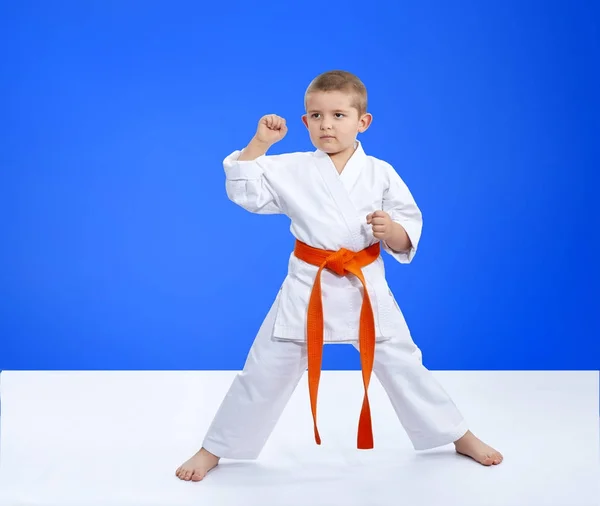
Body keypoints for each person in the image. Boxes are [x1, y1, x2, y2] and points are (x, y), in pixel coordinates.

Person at [176, 70, 503, 482]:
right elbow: (247, 193)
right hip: (308, 283)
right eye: (315, 115)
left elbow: (408, 230)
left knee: (404, 364)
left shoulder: (380, 171)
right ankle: (216, 448)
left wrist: (392, 231)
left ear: (362, 121)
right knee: (264, 368)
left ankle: (457, 435)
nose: (326, 124)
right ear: (305, 122)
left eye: (338, 114)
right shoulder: (290, 168)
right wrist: (260, 143)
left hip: (364, 284)